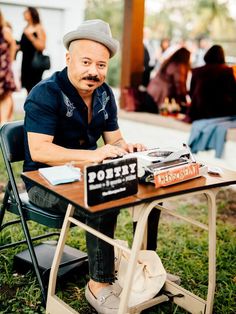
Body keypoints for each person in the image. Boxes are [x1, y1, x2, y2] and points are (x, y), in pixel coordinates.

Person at [22, 19, 147, 314]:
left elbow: (114, 140)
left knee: (141, 191)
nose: (94, 72)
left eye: (101, 65)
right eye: (87, 62)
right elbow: (40, 151)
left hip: (82, 175)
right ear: (68, 59)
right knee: (103, 198)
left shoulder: (104, 94)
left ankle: (137, 265)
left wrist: (124, 147)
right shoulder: (46, 93)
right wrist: (94, 156)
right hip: (43, 182)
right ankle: (99, 286)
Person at [188, 45, 236, 122]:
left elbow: (192, 93)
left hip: (199, 111)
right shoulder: (227, 71)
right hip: (221, 112)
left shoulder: (197, 71)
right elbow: (233, 92)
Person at [146, 47, 191, 113]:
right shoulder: (179, 67)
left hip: (152, 89)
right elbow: (179, 83)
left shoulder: (168, 62)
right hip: (162, 93)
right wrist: (183, 96)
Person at [19, 7, 46, 93]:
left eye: (26, 12)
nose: (23, 13)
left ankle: (36, 105)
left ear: (32, 14)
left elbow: (42, 46)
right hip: (25, 61)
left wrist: (31, 37)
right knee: (27, 86)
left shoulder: (38, 27)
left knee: (34, 86)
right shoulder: (26, 27)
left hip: (34, 62)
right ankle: (29, 105)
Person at [0, 10, 16, 125]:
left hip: (3, 69)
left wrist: (10, 60)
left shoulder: (4, 31)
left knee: (6, 94)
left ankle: (4, 121)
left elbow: (13, 45)